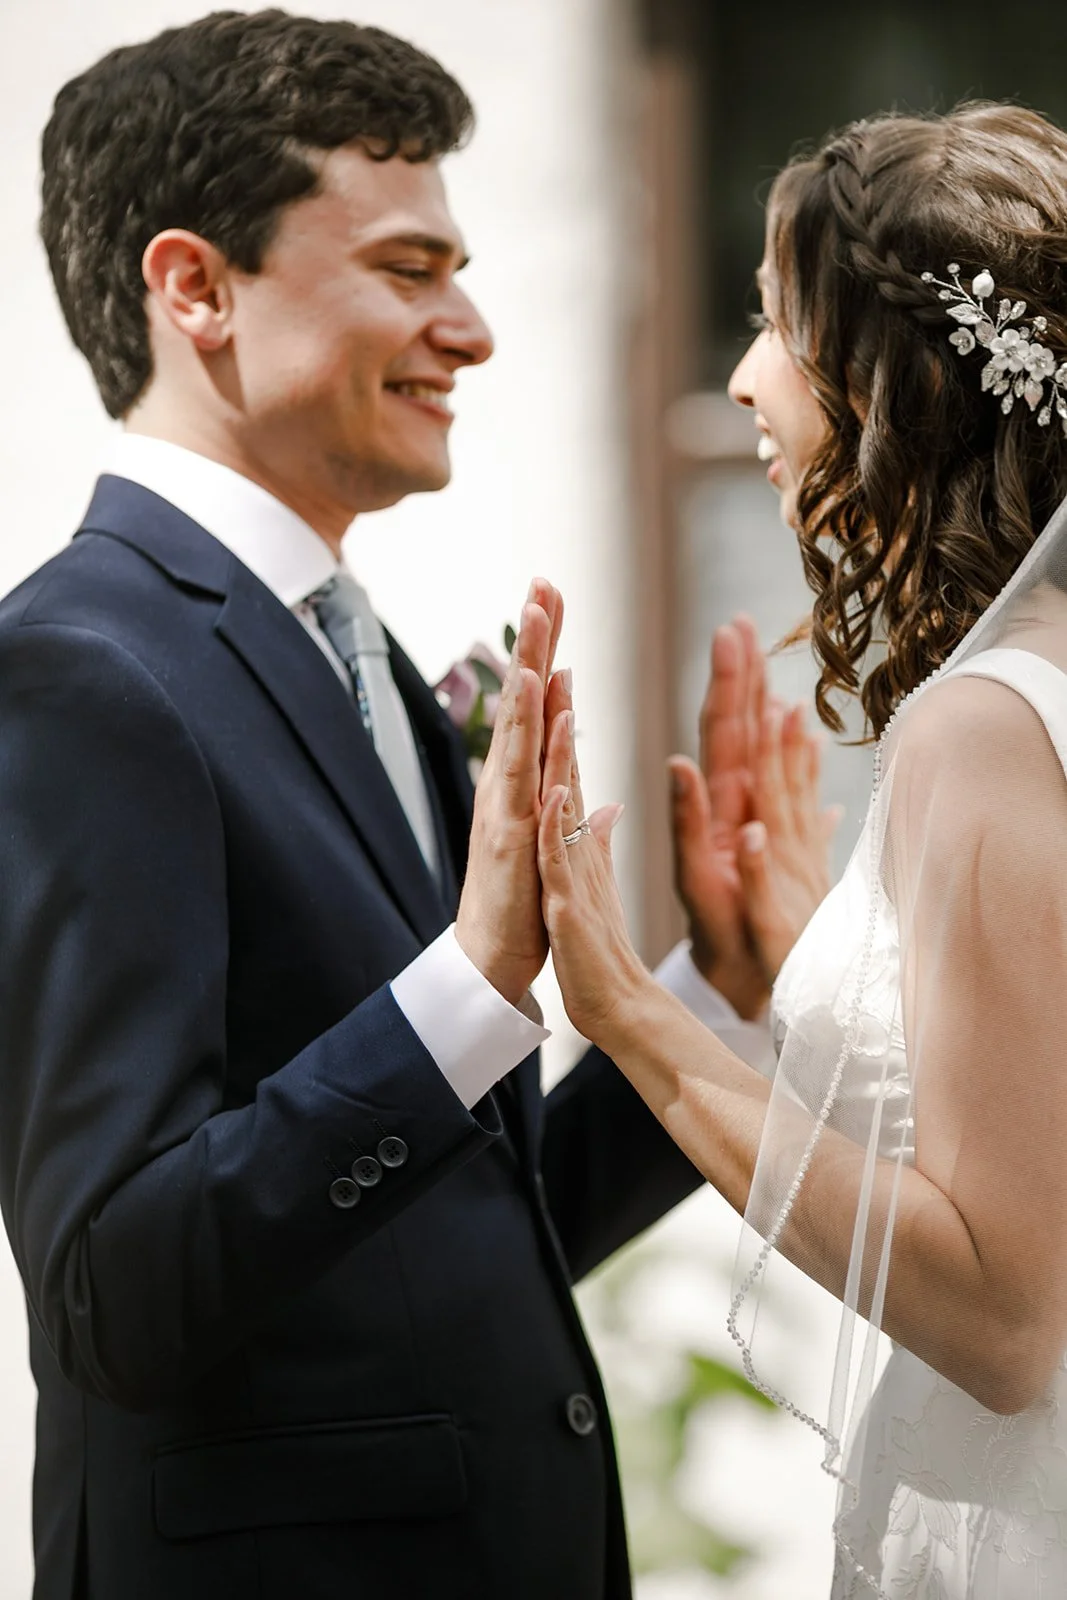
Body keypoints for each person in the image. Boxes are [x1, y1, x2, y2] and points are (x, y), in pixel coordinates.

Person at [0, 10, 834, 1599]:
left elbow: (458, 1218)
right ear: (195, 288)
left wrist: (704, 995)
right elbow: (113, 1294)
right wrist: (462, 986)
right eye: (406, 268)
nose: (472, 327)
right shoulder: (77, 671)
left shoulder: (375, 656)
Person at [533, 102, 1067, 1597]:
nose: (738, 379)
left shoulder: (987, 726)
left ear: (890, 385)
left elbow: (1004, 1317)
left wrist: (634, 1021)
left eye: (773, 322)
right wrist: (784, 990)